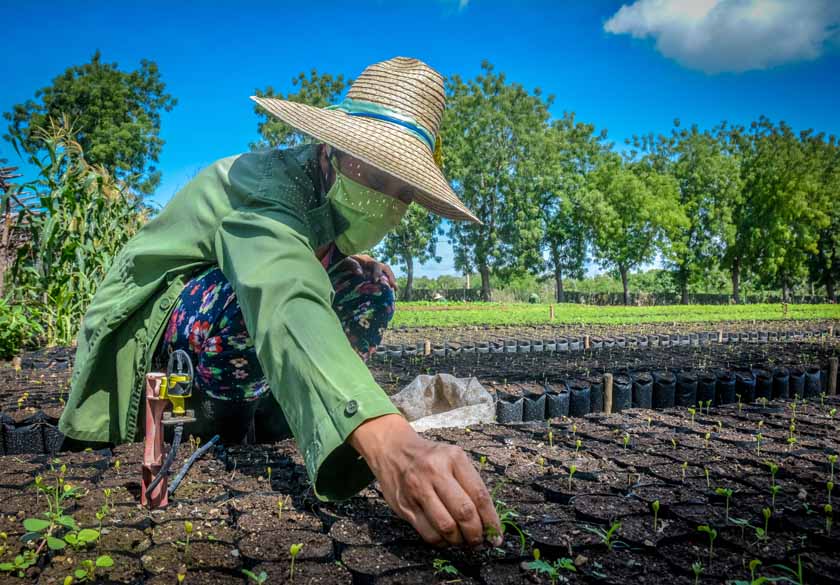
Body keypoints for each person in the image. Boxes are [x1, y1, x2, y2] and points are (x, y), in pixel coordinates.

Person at [58, 56, 502, 549]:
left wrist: (343, 262)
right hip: (151, 337)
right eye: (376, 173)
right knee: (236, 314)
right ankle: (220, 422)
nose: (387, 199)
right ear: (332, 147)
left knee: (370, 287)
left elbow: (306, 267)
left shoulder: (325, 195)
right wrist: (391, 443)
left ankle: (282, 422)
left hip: (233, 321)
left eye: (403, 191)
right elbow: (282, 288)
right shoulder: (268, 186)